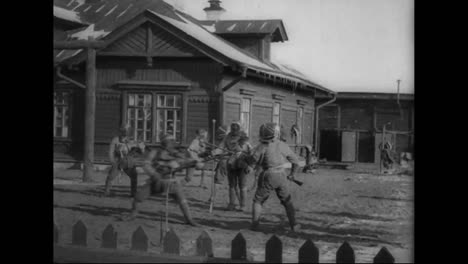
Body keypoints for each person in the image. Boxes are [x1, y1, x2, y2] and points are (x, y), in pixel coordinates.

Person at [122, 134, 202, 226]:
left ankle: (189, 219)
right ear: (163, 143)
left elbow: (186, 161)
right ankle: (133, 214)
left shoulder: (177, 153)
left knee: (182, 200)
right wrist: (154, 173)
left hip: (172, 182)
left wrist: (195, 162)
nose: (170, 144)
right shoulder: (155, 152)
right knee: (138, 197)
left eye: (172, 142)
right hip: (157, 181)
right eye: (168, 142)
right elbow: (146, 164)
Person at [246, 122, 301, 232]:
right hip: (281, 175)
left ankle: (255, 224)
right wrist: (292, 174)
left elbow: (252, 162)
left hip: (268, 175)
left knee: (258, 201)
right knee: (287, 201)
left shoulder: (261, 146)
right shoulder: (281, 144)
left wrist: (247, 159)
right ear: (276, 133)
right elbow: (296, 161)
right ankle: (294, 225)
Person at [213, 122, 253, 211]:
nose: (234, 129)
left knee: (242, 185)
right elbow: (220, 148)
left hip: (243, 164)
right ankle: (231, 204)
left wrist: (250, 165)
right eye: (233, 128)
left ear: (239, 128)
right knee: (232, 185)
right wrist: (214, 152)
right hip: (231, 163)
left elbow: (251, 151)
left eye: (236, 128)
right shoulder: (227, 137)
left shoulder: (244, 137)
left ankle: (243, 205)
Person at [104, 125, 145, 197]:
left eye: (127, 130)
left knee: (134, 176)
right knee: (110, 176)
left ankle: (133, 194)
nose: (126, 132)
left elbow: (140, 151)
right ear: (121, 131)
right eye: (124, 130)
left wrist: (141, 147)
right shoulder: (116, 139)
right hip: (118, 161)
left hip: (128, 161)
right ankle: (106, 192)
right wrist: (112, 161)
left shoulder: (132, 140)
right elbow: (111, 151)